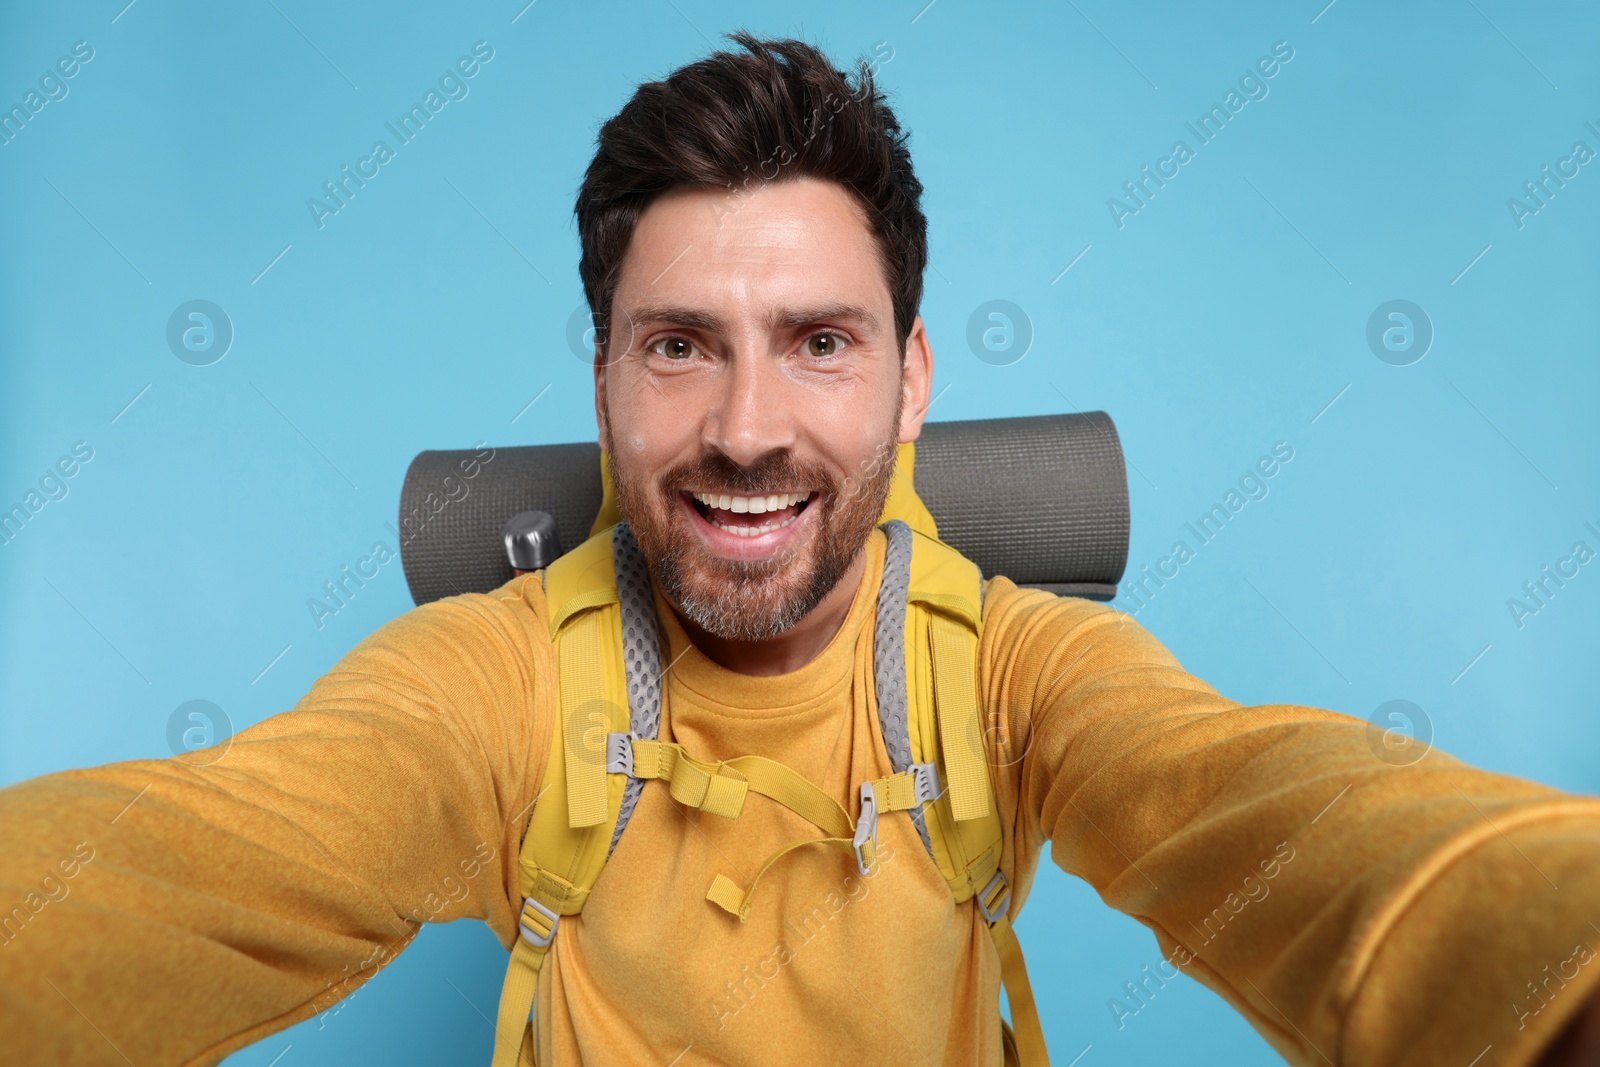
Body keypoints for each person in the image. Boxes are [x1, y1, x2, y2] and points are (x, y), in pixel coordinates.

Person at [2, 30, 1598, 1067]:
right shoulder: (498, 687)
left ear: (913, 379)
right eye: (680, 344)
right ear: (605, 375)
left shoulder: (1008, 673)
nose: (749, 427)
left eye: (819, 342)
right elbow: (193, 859)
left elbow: (1269, 809)